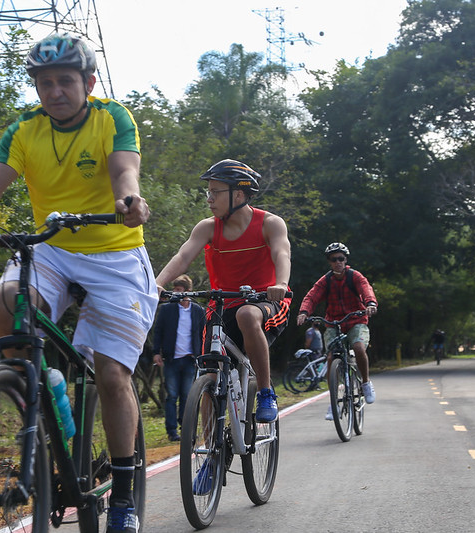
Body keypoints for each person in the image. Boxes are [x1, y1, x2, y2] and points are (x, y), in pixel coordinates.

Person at [0, 34, 155, 533]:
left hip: (114, 253)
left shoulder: (113, 118)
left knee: (110, 375)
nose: (55, 91)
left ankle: (125, 495)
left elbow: (124, 170)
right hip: (55, 248)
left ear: (88, 82)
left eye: (66, 80)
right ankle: (39, 397)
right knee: (5, 302)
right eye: (45, 82)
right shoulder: (25, 127)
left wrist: (130, 201)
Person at [155, 159, 292, 425]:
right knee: (210, 375)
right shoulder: (207, 227)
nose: (209, 199)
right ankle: (209, 456)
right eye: (209, 192)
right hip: (222, 306)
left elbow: (281, 253)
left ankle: (265, 391)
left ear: (238, 194)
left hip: (266, 301)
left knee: (246, 315)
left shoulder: (270, 224)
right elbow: (183, 257)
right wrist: (158, 284)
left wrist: (282, 284)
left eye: (215, 192)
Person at [296, 242, 378, 420]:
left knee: (358, 348)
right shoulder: (326, 281)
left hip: (357, 321)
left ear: (345, 260)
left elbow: (366, 289)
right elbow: (312, 296)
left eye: (341, 258)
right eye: (334, 259)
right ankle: (333, 403)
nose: (338, 262)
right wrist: (304, 312)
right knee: (331, 357)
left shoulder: (354, 276)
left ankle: (365, 383)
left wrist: (370, 303)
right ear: (329, 262)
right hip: (333, 323)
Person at [152, 274, 205, 442]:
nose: (175, 293)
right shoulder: (167, 309)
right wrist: (156, 352)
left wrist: (202, 354)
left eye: (179, 290)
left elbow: (204, 334)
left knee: (188, 396)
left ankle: (187, 429)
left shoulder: (197, 310)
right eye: (174, 290)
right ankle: (172, 431)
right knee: (171, 396)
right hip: (172, 358)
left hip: (190, 359)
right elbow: (158, 330)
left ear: (188, 292)